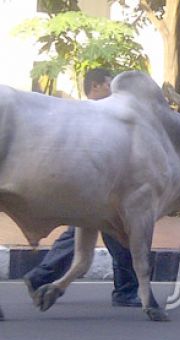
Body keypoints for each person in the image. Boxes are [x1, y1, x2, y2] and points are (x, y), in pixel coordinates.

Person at [23, 68, 141, 307]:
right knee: (120, 236)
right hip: (100, 189)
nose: (112, 91)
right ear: (95, 87)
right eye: (109, 85)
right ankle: (126, 291)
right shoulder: (90, 115)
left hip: (94, 188)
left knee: (76, 238)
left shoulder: (101, 115)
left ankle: (41, 277)